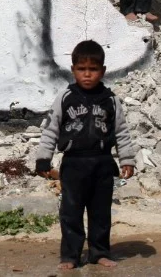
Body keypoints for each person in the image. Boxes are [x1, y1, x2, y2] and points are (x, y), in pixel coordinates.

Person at [35, 40, 135, 270]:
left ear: (103, 71)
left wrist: (127, 159)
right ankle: (70, 255)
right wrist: (43, 158)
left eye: (93, 69)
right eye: (82, 69)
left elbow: (121, 131)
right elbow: (50, 128)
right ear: (73, 70)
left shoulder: (111, 100)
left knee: (100, 212)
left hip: (102, 164)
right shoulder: (64, 97)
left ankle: (99, 252)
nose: (87, 75)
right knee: (71, 212)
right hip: (73, 164)